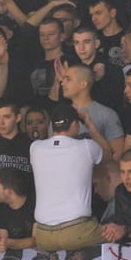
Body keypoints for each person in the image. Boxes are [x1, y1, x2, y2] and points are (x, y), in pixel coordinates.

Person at [28, 103, 104, 252]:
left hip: (44, 236)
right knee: (116, 236)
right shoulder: (87, 146)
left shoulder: (35, 148)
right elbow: (108, 155)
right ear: (75, 125)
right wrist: (90, 125)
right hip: (77, 232)